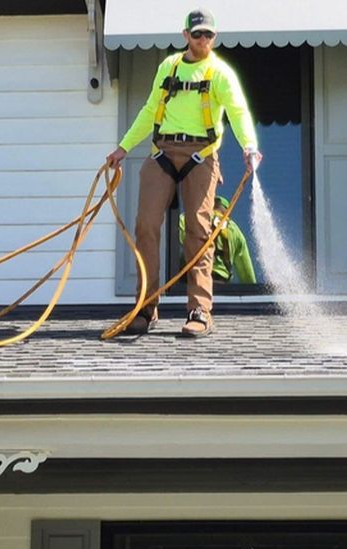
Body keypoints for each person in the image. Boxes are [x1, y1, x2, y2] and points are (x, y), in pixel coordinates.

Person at [106, 7, 262, 338]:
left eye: (208, 34)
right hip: (161, 152)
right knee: (145, 225)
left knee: (198, 232)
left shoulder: (220, 74)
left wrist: (249, 146)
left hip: (201, 155)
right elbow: (150, 110)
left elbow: (237, 111)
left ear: (214, 37)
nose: (203, 39)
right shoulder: (169, 67)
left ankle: (199, 311)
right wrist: (123, 148)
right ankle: (145, 308)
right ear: (185, 36)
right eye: (197, 34)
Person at [178, 195, 256, 285]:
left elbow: (171, 238)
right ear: (227, 212)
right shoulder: (235, 231)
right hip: (221, 286)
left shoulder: (190, 218)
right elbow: (247, 277)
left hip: (193, 282)